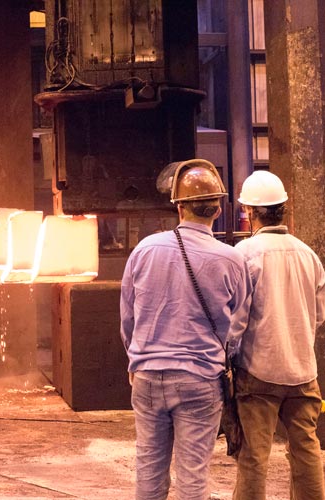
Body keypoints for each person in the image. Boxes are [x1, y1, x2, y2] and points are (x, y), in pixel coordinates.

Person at [120, 159, 252, 500]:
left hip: (148, 376)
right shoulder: (231, 259)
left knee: (148, 471)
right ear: (219, 207)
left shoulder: (145, 249)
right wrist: (226, 357)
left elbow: (128, 318)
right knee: (192, 477)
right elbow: (237, 325)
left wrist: (136, 360)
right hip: (200, 380)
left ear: (178, 206)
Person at [233, 170, 325, 500]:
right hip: (303, 373)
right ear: (283, 208)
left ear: (249, 212)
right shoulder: (308, 255)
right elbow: (318, 317)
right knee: (307, 452)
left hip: (259, 373)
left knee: (255, 457)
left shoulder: (245, 255)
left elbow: (236, 322)